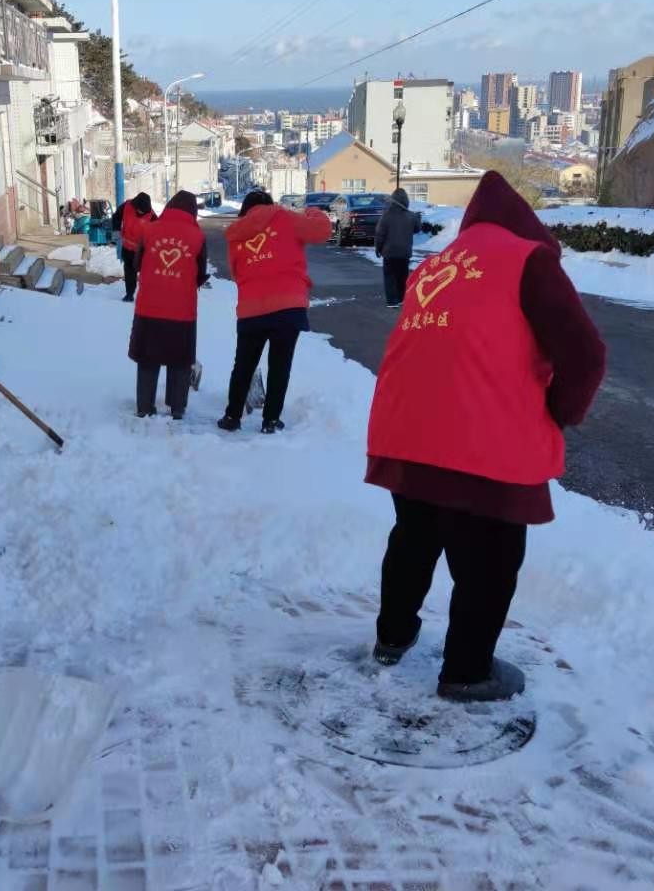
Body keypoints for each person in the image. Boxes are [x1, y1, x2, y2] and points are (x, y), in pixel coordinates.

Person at [366, 171, 605, 701]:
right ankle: (468, 672)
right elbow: (586, 355)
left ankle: (392, 637)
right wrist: (555, 412)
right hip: (481, 439)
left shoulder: (439, 263)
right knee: (488, 561)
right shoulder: (528, 259)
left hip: (405, 428)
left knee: (414, 537)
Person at [219, 190, 332, 434]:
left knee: (243, 365)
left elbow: (236, 272)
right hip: (288, 306)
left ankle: (232, 417)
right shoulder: (286, 218)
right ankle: (270, 420)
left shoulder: (237, 233)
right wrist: (311, 211)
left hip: (251, 308)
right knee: (280, 365)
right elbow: (323, 230)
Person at [128, 190, 208, 419]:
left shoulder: (149, 230)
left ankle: (144, 406)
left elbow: (137, 264)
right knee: (180, 360)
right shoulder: (198, 236)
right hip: (182, 311)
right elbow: (200, 273)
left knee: (147, 359)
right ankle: (177, 408)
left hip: (149, 307)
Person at [374, 187, 421, 307]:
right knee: (402, 276)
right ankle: (401, 298)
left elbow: (380, 234)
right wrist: (418, 219)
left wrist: (378, 248)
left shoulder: (386, 215)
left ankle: (392, 300)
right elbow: (416, 229)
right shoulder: (410, 215)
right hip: (404, 252)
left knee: (390, 276)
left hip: (389, 251)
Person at [111, 192, 156, 302]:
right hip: (127, 247)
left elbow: (158, 232)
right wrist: (116, 230)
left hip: (142, 250)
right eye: (140, 210)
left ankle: (148, 295)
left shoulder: (152, 216)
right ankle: (129, 294)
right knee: (129, 272)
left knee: (146, 273)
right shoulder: (127, 206)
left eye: (144, 211)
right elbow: (116, 216)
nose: (141, 212)